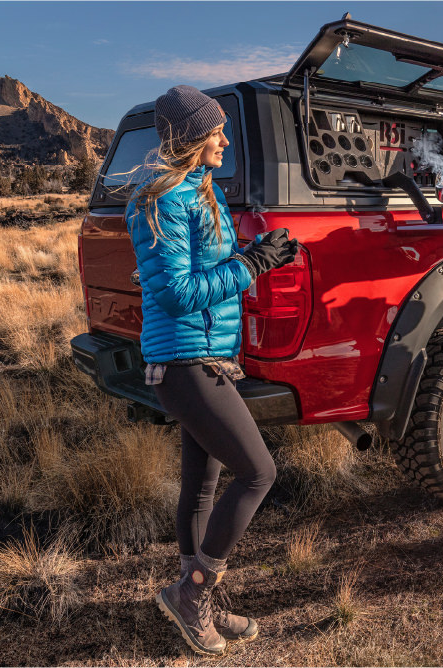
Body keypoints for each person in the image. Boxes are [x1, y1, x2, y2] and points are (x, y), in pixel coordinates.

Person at [125, 85, 299, 654]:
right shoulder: (165, 201)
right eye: (218, 131)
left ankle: (193, 595)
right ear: (194, 138)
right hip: (184, 361)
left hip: (207, 357)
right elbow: (177, 295)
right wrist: (251, 265)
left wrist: (261, 250)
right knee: (258, 473)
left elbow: (209, 265)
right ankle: (193, 594)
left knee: (202, 485)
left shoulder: (202, 191)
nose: (226, 140)